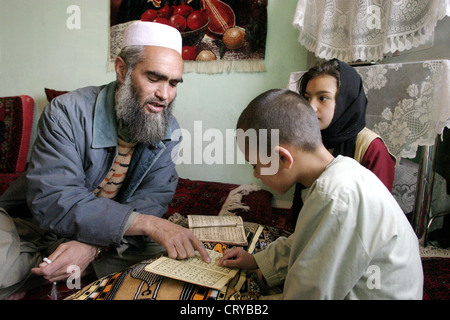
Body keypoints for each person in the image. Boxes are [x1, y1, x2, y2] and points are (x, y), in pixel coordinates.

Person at [0, 21, 209, 300]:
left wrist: (92, 246)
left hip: (107, 232)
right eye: (154, 78)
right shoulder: (66, 112)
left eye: (173, 83)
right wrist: (145, 224)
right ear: (122, 70)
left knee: (171, 259)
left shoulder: (168, 128)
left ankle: (55, 266)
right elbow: (54, 199)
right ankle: (49, 268)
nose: (165, 95)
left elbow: (153, 198)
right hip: (31, 224)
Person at [219, 89, 423, 299]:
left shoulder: (335, 196)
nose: (255, 174)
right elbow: (307, 240)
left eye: (255, 164)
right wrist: (257, 261)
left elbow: (308, 293)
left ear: (282, 158)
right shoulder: (339, 172)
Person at [291, 59, 396, 222]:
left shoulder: (371, 148)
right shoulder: (308, 138)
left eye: (323, 98)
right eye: (307, 97)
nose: (311, 106)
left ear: (346, 100)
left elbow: (376, 218)